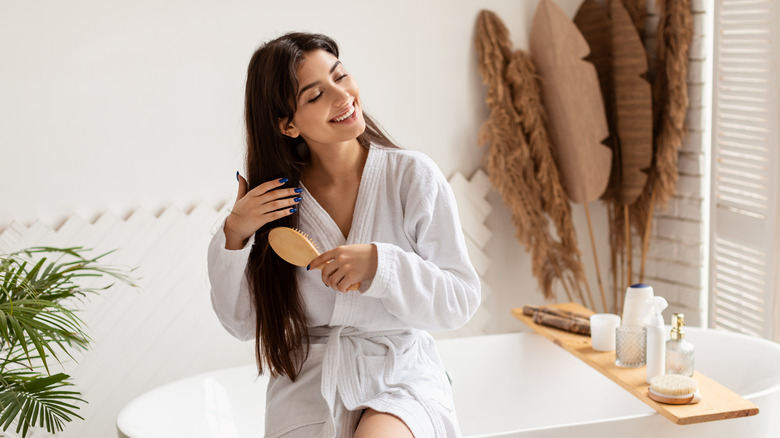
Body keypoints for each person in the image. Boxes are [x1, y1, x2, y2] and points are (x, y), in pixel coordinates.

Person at [207, 32, 480, 438]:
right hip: (309, 381)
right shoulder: (277, 205)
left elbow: (459, 302)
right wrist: (234, 234)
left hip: (399, 372)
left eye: (341, 76)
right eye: (316, 95)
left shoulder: (411, 177)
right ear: (288, 124)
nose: (342, 96)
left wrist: (383, 266)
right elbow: (242, 324)